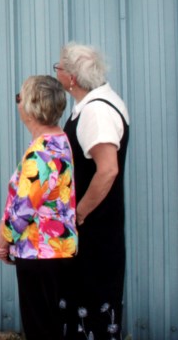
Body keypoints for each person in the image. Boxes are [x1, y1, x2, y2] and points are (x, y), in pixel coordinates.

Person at [0, 75, 77, 340]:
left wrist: (2, 240)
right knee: (53, 325)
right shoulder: (60, 141)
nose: (18, 104)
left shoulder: (40, 153)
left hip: (39, 252)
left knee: (40, 327)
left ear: (31, 106)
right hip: (57, 249)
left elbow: (23, 209)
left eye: (19, 98)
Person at [54, 43, 129, 340]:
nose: (56, 71)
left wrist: (80, 213)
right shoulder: (91, 104)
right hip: (92, 226)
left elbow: (108, 169)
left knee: (92, 295)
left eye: (58, 67)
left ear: (72, 78)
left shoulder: (96, 112)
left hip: (94, 227)